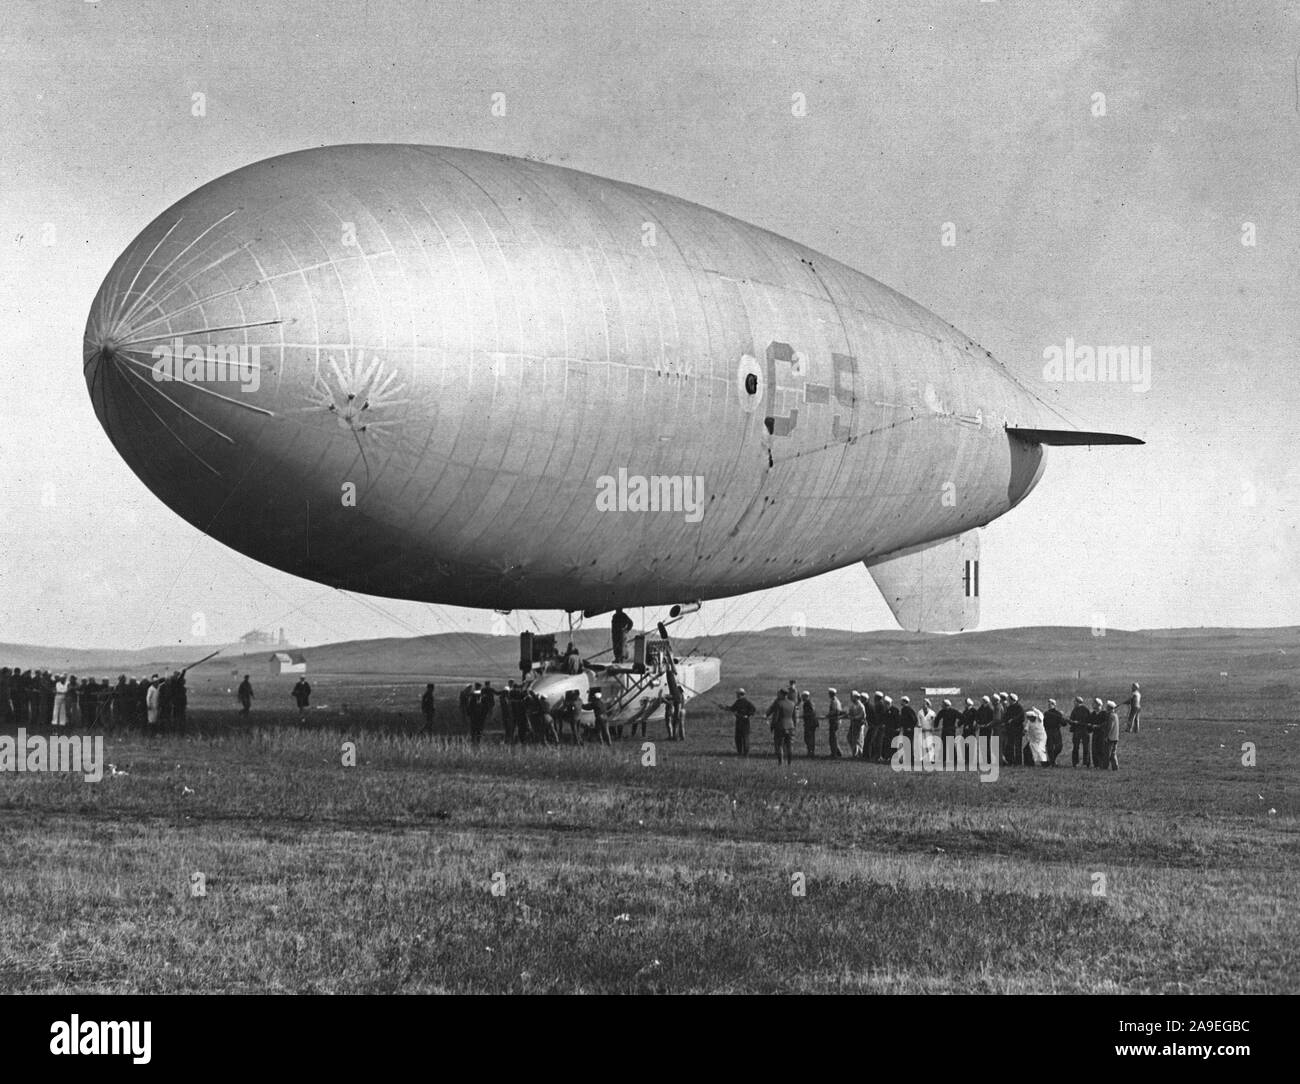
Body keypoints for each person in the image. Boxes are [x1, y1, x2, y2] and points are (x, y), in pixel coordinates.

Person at [720, 688, 757, 756]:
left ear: (739, 694)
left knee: (742, 738)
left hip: (743, 722)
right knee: (741, 737)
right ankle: (743, 753)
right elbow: (732, 709)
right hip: (741, 722)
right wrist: (723, 707)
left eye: (737, 694)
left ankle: (742, 753)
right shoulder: (741, 702)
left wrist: (747, 715)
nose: (736, 695)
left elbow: (753, 710)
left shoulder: (743, 702)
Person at [766, 688, 796, 766]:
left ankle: (780, 763)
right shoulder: (792, 703)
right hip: (791, 726)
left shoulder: (778, 703)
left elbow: (775, 717)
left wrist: (772, 726)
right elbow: (794, 717)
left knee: (779, 745)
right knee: (789, 746)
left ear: (782, 694)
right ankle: (790, 763)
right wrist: (794, 726)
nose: (777, 694)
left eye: (779, 693)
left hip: (780, 726)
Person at [1069, 696, 1092, 768]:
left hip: (1081, 730)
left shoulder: (1079, 710)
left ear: (1077, 702)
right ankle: (1085, 763)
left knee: (1080, 747)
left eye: (1074, 701)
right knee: (1082, 747)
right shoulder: (1084, 709)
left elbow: (1088, 721)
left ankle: (1078, 763)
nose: (1074, 703)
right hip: (1080, 731)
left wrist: (1075, 722)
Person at [1043, 699, 1066, 766]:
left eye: (1051, 704)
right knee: (1049, 747)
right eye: (1049, 704)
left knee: (1059, 747)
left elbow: (1064, 723)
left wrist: (1062, 718)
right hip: (1048, 731)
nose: (1050, 705)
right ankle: (1052, 762)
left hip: (1056, 731)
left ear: (1054, 705)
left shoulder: (1057, 713)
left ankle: (1051, 760)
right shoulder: (1046, 713)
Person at [1004, 693, 1025, 766]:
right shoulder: (1010, 707)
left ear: (1012, 700)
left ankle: (1018, 762)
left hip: (1017, 730)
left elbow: (1022, 718)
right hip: (1010, 730)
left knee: (1017, 747)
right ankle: (1011, 761)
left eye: (1009, 699)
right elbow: (1006, 717)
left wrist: (1013, 720)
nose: (1008, 700)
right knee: (1010, 746)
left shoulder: (1019, 708)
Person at [918, 697, 938, 765]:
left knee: (929, 744)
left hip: (929, 731)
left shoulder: (932, 713)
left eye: (925, 704)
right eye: (923, 704)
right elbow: (919, 722)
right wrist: (920, 727)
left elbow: (934, 722)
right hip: (922, 731)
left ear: (928, 705)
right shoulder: (920, 712)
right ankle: (921, 759)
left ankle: (931, 759)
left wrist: (932, 728)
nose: (923, 706)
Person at [1090, 698, 1108, 770]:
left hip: (1102, 734)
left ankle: (1102, 765)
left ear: (1098, 705)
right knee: (1094, 749)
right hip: (1095, 734)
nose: (1092, 705)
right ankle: (1096, 765)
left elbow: (1106, 724)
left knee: (1101, 749)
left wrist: (1098, 726)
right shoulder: (1093, 714)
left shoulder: (1104, 714)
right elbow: (1089, 722)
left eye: (1094, 703)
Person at [848, 691, 867, 757]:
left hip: (859, 724)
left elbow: (863, 715)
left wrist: (854, 717)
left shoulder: (861, 706)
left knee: (858, 739)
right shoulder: (853, 705)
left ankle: (859, 753)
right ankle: (856, 752)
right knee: (850, 738)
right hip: (853, 724)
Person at [799, 691, 818, 757]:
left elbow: (812, 712)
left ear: (806, 696)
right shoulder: (807, 703)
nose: (802, 698)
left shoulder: (809, 703)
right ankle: (810, 751)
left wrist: (805, 715)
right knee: (807, 738)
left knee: (809, 738)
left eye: (803, 696)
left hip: (811, 723)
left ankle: (811, 752)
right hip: (809, 723)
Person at [826, 689, 844, 758]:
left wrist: (828, 715)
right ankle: (837, 752)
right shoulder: (835, 701)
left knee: (833, 737)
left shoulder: (835, 702)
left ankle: (834, 753)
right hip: (835, 721)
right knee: (833, 737)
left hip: (834, 721)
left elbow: (836, 711)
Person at [1104, 700, 1121, 769]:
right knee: (1113, 753)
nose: (1105, 708)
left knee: (1107, 753)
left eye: (1107, 707)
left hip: (1110, 737)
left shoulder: (1111, 716)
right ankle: (1115, 767)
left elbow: (1109, 727)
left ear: (1109, 708)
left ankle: (1105, 766)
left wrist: (1106, 736)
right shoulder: (1115, 715)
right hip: (1115, 737)